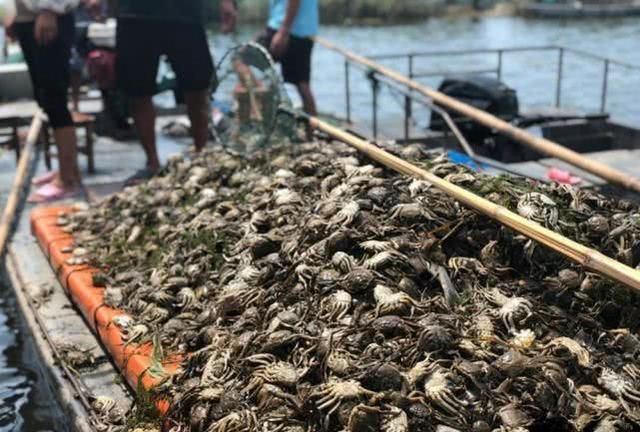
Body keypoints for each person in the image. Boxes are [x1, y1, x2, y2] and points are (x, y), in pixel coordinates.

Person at [115, 0, 237, 185]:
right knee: (137, 91)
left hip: (185, 13)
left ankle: (201, 154)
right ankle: (153, 163)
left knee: (198, 87)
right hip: (134, 13)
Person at [9, 0, 83, 202]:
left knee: (54, 100)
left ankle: (67, 180)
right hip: (30, 17)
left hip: (48, 15)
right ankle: (68, 170)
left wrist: (50, 9)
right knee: (46, 98)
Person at [259, 0, 318, 117]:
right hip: (304, 31)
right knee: (302, 84)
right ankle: (312, 133)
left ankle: (257, 112)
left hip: (283, 28)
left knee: (241, 58)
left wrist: (284, 31)